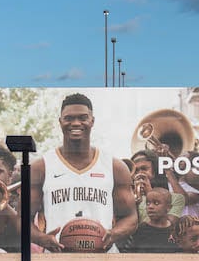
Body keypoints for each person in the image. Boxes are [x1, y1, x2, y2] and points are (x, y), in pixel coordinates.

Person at [29, 93, 137, 252]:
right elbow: (22, 219)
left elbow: (131, 217)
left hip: (104, 257)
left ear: (92, 121)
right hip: (58, 256)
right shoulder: (41, 166)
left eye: (83, 117)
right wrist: (42, 238)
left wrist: (113, 234)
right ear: (60, 122)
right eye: (68, 118)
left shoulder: (115, 166)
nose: (76, 123)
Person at [126, 188, 180, 252]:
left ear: (168, 207)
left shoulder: (175, 231)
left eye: (156, 203)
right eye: (148, 203)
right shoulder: (139, 230)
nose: (150, 206)